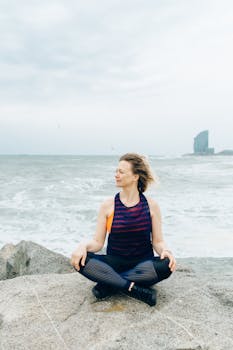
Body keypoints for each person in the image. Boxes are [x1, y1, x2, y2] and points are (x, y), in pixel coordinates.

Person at [70, 153, 176, 306]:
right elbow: (97, 243)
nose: (116, 175)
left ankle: (109, 282)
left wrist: (166, 251)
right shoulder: (108, 205)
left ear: (135, 176)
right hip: (115, 262)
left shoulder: (151, 205)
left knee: (167, 265)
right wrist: (82, 247)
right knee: (81, 260)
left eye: (121, 172)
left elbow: (158, 242)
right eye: (116, 171)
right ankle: (132, 288)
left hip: (142, 264)